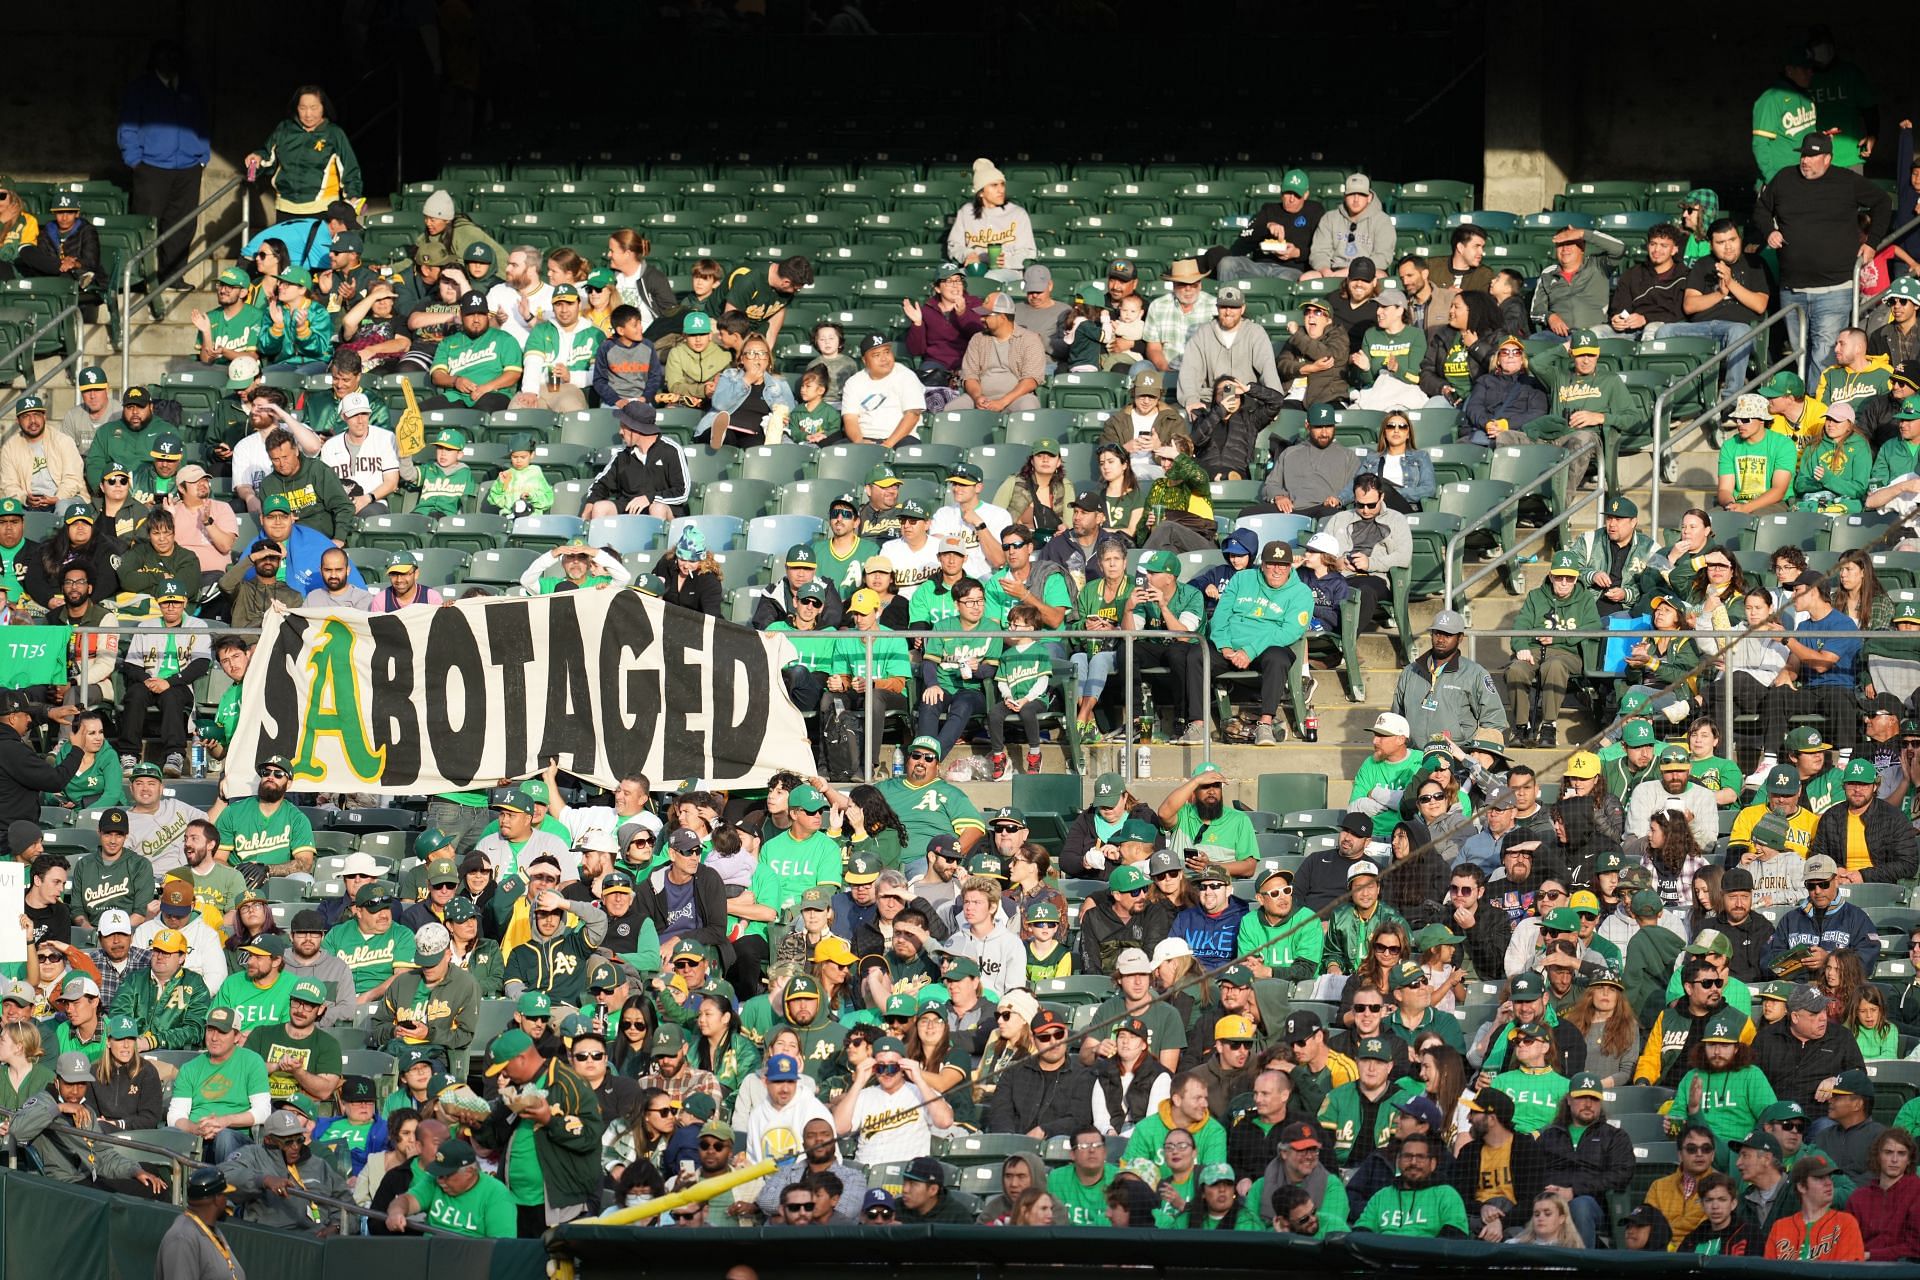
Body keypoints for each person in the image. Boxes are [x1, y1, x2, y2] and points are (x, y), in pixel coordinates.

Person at [1754, 134, 1893, 377]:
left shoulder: (1847, 180)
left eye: (1811, 156)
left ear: (1827, 158)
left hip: (1834, 289)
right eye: (1803, 154)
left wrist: (1872, 243)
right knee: (1800, 353)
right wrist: (1769, 232)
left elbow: (1882, 201)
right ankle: (1804, 408)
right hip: (1792, 289)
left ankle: (1815, 411)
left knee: (1824, 355)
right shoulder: (1785, 178)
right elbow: (1761, 210)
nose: (1805, 160)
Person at [1206, 541, 1313, 745]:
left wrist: (1249, 650)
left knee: (1278, 657)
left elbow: (1289, 631)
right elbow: (1220, 616)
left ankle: (1265, 723)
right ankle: (1194, 722)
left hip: (1266, 649)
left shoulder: (1301, 592)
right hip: (1229, 648)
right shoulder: (1242, 579)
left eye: (1282, 565)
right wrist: (1225, 646)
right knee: (1194, 655)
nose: (1276, 570)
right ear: (1262, 565)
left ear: (1290, 566)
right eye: (1271, 564)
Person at [1505, 552, 1599, 749]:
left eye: (1570, 578)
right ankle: (1522, 726)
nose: (1564, 583)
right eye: (1559, 577)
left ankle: (1549, 725)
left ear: (1576, 578)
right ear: (1550, 576)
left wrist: (1557, 637)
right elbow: (1520, 626)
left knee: (1553, 666)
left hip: (1569, 654)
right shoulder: (1535, 597)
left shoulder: (1586, 599)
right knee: (1515, 669)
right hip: (1535, 651)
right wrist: (1521, 647)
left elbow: (1593, 629)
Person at [1390, 609, 1505, 746]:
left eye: (1448, 635)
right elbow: (1396, 717)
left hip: (1454, 757)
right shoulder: (1410, 671)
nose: (1440, 639)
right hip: (1413, 756)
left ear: (1460, 638)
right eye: (1437, 633)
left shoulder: (1475, 674)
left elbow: (1494, 719)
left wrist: (1477, 753)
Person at [1352, 1132, 1468, 1237]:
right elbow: (1360, 1234)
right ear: (1398, 1162)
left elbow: (1454, 1238)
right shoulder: (1382, 1196)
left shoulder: (1446, 1195)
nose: (1413, 1162)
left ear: (1432, 1164)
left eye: (1420, 1157)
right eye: (1407, 1156)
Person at [1765, 1153, 1867, 1260]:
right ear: (1801, 1187)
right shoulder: (1780, 1228)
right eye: (1819, 1178)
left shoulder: (1846, 1223)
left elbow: (1847, 1272)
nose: (1829, 1183)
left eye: (1829, 1177)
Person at [155, 1165, 246, 1280]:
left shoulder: (212, 1231)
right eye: (225, 1195)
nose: (227, 1201)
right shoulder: (182, 1238)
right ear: (217, 1199)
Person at [1307, 175, 1395, 278]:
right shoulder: (1330, 218)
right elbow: (1319, 252)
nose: (1356, 199)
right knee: (1306, 278)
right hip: (1334, 271)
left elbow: (1383, 257)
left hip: (1367, 271)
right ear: (1345, 196)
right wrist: (1326, 271)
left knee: (1381, 276)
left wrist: (1352, 271)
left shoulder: (1382, 220)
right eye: (1352, 194)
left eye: (1361, 194)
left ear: (1369, 197)